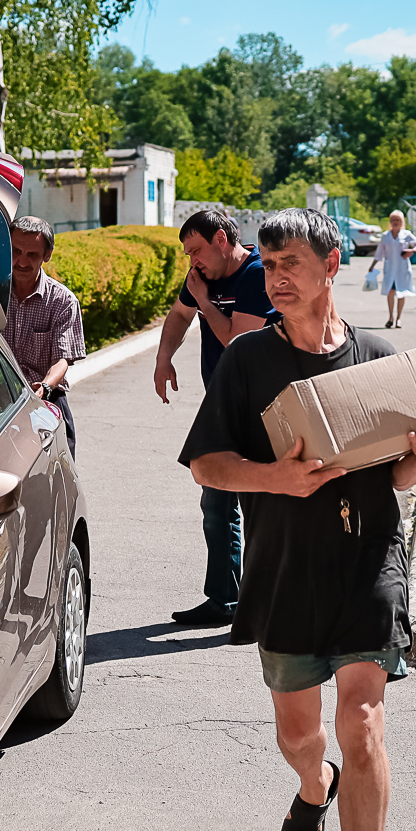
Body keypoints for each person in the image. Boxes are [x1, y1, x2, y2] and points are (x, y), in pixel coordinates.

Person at [179, 208, 416, 831]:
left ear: (332, 265)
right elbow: (208, 465)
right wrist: (275, 478)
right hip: (283, 571)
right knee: (299, 736)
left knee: (363, 718)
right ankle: (316, 786)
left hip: (367, 561)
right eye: (268, 265)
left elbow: (396, 476)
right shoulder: (246, 361)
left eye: (290, 265)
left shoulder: (382, 360)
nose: (275, 279)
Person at [154, 208, 276, 627]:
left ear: (222, 239)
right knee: (216, 500)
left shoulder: (257, 275)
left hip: (263, 408)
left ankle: (268, 602)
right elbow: (178, 315)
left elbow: (237, 341)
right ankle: (224, 599)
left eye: (197, 251)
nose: (193, 262)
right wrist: (163, 358)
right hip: (223, 404)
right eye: (188, 254)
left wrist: (205, 301)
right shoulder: (204, 277)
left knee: (260, 504)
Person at [3, 215, 86, 458]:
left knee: (59, 472)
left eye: (32, 254)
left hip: (45, 400)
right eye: (16, 251)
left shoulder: (63, 301)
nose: (21, 261)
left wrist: (45, 388)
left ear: (47, 255)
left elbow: (62, 360)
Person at [365, 211, 416, 329]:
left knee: (401, 292)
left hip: (402, 268)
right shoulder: (385, 236)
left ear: (402, 222)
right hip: (390, 268)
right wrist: (372, 265)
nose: (395, 222)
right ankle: (391, 317)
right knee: (390, 291)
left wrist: (412, 250)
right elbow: (379, 252)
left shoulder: (406, 234)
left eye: (398, 220)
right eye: (393, 220)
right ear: (390, 222)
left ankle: (399, 318)